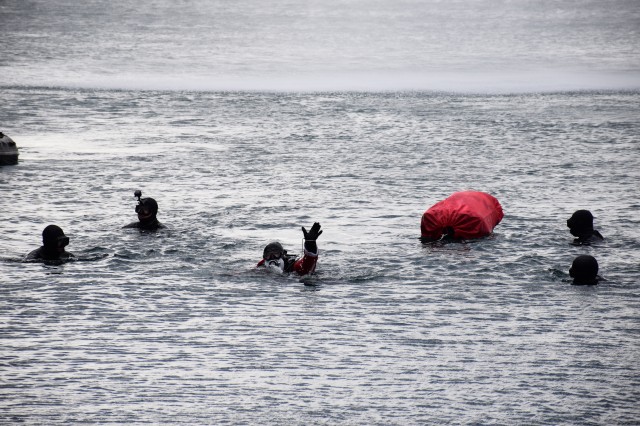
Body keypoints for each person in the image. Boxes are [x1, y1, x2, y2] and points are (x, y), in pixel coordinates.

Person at [257, 222, 322, 275]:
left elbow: (305, 267)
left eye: (276, 254)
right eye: (268, 255)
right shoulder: (261, 266)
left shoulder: (292, 266)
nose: (272, 258)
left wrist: (310, 245)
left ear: (282, 255)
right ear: (264, 257)